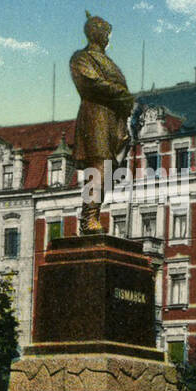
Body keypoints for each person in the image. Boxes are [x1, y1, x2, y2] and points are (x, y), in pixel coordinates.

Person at [68, 12, 134, 234]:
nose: (108, 37)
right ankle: (88, 218)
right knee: (98, 166)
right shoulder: (81, 58)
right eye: (105, 32)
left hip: (114, 119)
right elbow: (91, 84)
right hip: (95, 116)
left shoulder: (109, 62)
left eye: (108, 33)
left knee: (106, 169)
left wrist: (123, 99)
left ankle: (93, 214)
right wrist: (121, 94)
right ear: (95, 33)